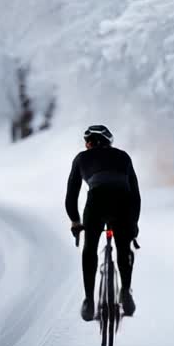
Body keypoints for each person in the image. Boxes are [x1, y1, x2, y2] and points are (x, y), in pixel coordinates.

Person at [66, 124, 140, 322]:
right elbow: (136, 195)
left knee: (90, 249)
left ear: (89, 143)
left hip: (96, 204)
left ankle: (89, 301)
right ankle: (125, 291)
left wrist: (75, 222)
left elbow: (71, 196)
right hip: (122, 204)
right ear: (109, 142)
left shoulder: (81, 158)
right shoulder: (123, 157)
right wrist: (133, 224)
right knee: (123, 247)